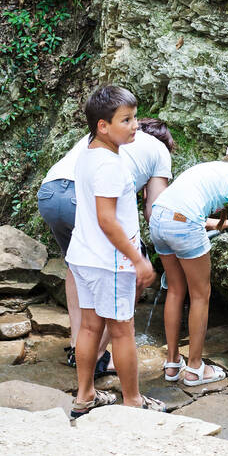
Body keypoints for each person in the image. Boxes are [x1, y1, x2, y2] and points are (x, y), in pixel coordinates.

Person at [37, 117, 174, 377]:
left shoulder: (105, 136)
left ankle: (79, 348)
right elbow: (153, 211)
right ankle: (98, 355)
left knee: (77, 266)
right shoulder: (159, 152)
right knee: (130, 272)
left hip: (50, 194)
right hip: (83, 201)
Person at [65, 86, 164, 417]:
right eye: (126, 119)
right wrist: (138, 259)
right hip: (111, 262)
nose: (135, 125)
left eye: (135, 117)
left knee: (89, 328)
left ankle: (85, 396)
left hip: (84, 256)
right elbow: (108, 221)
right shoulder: (111, 166)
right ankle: (133, 400)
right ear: (103, 126)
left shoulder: (87, 155)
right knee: (122, 331)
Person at [148, 136, 228, 390]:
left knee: (175, 289)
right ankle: (195, 369)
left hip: (159, 218)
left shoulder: (209, 168)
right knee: (200, 295)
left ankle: (172, 364)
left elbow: (195, 212)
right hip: (183, 226)